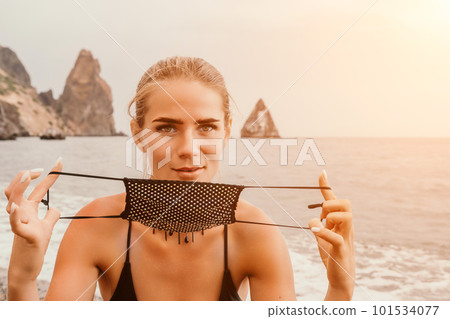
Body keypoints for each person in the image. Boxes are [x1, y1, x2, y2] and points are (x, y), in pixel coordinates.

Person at [4, 56, 354, 301]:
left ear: (227, 131)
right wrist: (22, 274)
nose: (188, 149)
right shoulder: (93, 228)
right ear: (139, 134)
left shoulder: (256, 234)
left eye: (206, 127)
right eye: (166, 128)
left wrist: (340, 288)